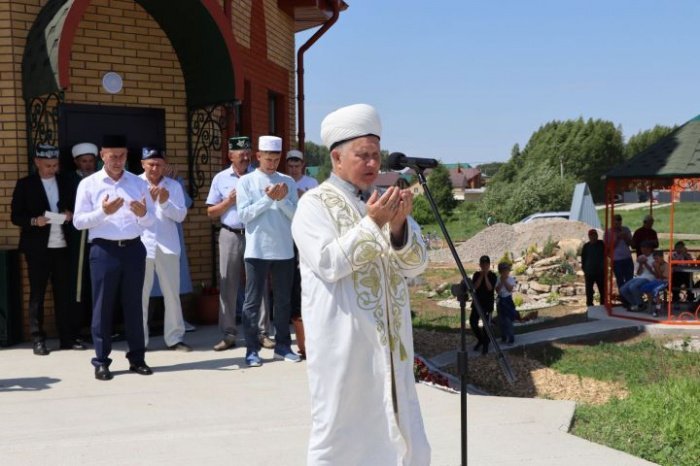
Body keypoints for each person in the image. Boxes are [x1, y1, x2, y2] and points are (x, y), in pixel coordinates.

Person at [291, 103, 431, 464]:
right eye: (362, 155)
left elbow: (416, 266)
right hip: (345, 346)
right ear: (337, 158)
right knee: (341, 432)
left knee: (396, 428)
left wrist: (398, 228)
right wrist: (373, 225)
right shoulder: (313, 205)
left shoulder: (381, 202)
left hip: (390, 342)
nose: (372, 164)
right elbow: (328, 263)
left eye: (376, 156)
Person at [73, 134, 155, 381]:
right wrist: (103, 212)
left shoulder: (138, 184)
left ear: (127, 156)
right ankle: (101, 361)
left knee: (134, 305)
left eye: (121, 156)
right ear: (102, 156)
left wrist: (142, 214)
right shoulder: (89, 184)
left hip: (133, 249)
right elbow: (78, 222)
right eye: (112, 156)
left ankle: (137, 358)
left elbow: (150, 220)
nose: (117, 161)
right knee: (103, 307)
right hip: (104, 251)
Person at [11, 144, 85, 355]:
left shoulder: (66, 182)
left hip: (62, 246)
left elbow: (76, 207)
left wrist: (70, 214)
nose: (51, 169)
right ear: (37, 163)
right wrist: (35, 221)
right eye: (47, 165)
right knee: (38, 294)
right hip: (37, 248)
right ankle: (38, 339)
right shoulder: (26, 184)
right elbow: (16, 216)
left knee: (64, 294)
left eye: (54, 165)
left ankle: (68, 338)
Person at [237, 135, 300, 367]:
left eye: (276, 159)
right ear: (258, 156)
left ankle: (283, 347)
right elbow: (243, 215)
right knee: (252, 303)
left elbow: (296, 216)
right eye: (268, 159)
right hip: (256, 250)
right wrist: (267, 199)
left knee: (283, 301)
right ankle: (252, 350)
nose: (272, 163)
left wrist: (282, 200)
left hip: (284, 249)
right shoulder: (246, 182)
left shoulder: (288, 182)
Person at [139, 147, 191, 352]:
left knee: (171, 294)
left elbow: (181, 216)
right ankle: (139, 341)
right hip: (141, 245)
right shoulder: (134, 183)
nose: (154, 168)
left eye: (159, 164)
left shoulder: (173, 186)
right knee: (140, 295)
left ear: (165, 165)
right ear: (143, 164)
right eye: (150, 164)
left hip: (168, 246)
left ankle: (175, 338)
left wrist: (164, 202)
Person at [206, 136, 252, 351]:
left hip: (254, 234)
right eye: (240, 153)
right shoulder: (221, 178)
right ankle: (228, 333)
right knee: (228, 285)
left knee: (257, 283)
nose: (244, 156)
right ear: (230, 155)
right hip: (230, 234)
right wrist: (229, 201)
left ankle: (261, 332)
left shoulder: (258, 176)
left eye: (247, 152)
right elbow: (210, 212)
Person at [284, 149, 319, 359]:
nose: (294, 169)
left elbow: (319, 206)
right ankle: (293, 319)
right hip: (286, 235)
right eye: (291, 165)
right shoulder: (283, 181)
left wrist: (303, 197)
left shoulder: (312, 183)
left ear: (302, 165)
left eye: (297, 165)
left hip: (306, 237)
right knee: (289, 280)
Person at [67, 142, 99, 337]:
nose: (87, 165)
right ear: (76, 162)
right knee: (79, 284)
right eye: (83, 161)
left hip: (99, 237)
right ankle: (78, 328)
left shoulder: (100, 179)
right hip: (78, 239)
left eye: (90, 161)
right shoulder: (69, 180)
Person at [604, 214, 634, 304]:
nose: (617, 223)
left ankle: (631, 299)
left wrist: (625, 237)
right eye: (615, 221)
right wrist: (617, 239)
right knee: (620, 280)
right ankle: (624, 300)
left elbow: (632, 244)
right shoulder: (608, 233)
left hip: (627, 258)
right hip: (617, 260)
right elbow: (608, 248)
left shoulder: (626, 229)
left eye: (619, 221)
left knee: (630, 279)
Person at [470, 255, 497, 355]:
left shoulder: (493, 276)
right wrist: (481, 275)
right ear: (480, 265)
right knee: (473, 322)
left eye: (486, 264)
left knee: (486, 325)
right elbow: (475, 287)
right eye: (482, 264)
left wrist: (486, 276)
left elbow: (490, 288)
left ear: (489, 265)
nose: (484, 266)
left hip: (487, 304)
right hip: (477, 303)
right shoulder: (476, 275)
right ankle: (480, 339)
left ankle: (485, 344)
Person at [619, 241, 656, 312]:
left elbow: (654, 272)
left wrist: (645, 263)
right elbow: (638, 273)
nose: (643, 249)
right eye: (642, 248)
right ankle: (637, 304)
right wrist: (641, 264)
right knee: (623, 289)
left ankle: (640, 305)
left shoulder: (654, 258)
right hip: (639, 277)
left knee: (633, 287)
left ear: (650, 249)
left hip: (649, 277)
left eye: (645, 248)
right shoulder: (640, 257)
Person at [639, 250, 669, 317]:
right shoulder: (656, 264)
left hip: (664, 282)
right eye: (655, 259)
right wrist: (653, 267)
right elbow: (656, 275)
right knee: (643, 287)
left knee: (655, 290)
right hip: (657, 281)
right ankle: (650, 303)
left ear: (662, 257)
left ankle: (657, 309)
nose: (656, 260)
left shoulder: (666, 266)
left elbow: (663, 278)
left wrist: (657, 268)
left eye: (657, 258)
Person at [581, 229, 605, 306]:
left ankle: (603, 304)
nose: (594, 237)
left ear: (597, 236)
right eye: (592, 235)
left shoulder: (601, 244)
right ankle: (589, 304)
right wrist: (585, 270)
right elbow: (583, 259)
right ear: (589, 236)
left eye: (595, 235)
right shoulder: (586, 246)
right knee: (589, 290)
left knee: (602, 289)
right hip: (589, 272)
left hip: (600, 272)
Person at [495, 262, 517, 345]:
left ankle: (511, 337)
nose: (506, 272)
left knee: (508, 319)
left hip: (507, 299)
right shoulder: (498, 279)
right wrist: (501, 281)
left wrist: (504, 281)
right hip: (500, 299)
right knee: (501, 320)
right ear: (501, 271)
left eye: (507, 270)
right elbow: (497, 290)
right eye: (504, 271)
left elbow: (509, 289)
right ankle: (503, 336)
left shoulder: (511, 279)